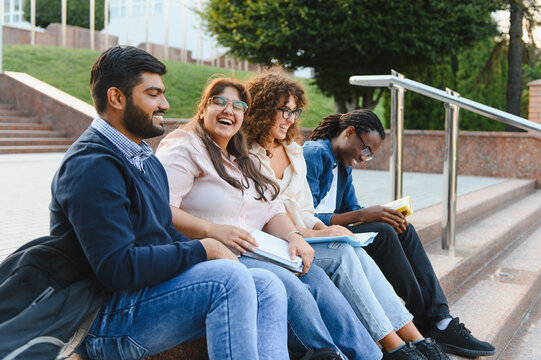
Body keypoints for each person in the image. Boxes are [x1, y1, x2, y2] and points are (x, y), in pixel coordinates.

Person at [49, 46, 289, 360]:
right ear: (117, 98)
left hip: (145, 295)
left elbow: (163, 232)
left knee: (266, 284)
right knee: (228, 280)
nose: (165, 104)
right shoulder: (92, 164)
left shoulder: (142, 157)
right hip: (102, 319)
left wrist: (206, 248)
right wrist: (205, 248)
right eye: (153, 94)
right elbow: (116, 269)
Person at [156, 76, 381, 360]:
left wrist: (294, 236)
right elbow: (160, 209)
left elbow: (272, 208)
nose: (230, 110)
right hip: (212, 253)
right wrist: (212, 230)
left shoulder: (241, 157)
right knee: (287, 285)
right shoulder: (185, 146)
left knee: (315, 275)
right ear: (202, 109)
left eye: (238, 106)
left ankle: (370, 356)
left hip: (258, 247)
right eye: (220, 102)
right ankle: (327, 354)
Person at [243, 69, 449, 360]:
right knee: (351, 249)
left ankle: (417, 333)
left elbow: (307, 208)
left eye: (295, 111)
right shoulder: (266, 153)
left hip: (303, 232)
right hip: (277, 239)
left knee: (389, 233)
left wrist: (327, 226)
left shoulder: (293, 150)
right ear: (263, 109)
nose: (290, 118)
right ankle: (397, 346)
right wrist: (323, 229)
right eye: (283, 111)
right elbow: (271, 210)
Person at [303, 109, 496, 359]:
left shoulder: (343, 165)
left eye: (369, 154)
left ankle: (440, 320)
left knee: (401, 229)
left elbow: (352, 210)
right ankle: (425, 320)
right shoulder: (315, 154)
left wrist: (384, 212)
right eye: (365, 150)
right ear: (349, 133)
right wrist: (364, 216)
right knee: (382, 232)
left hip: (337, 233)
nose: (364, 158)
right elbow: (303, 216)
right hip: (315, 236)